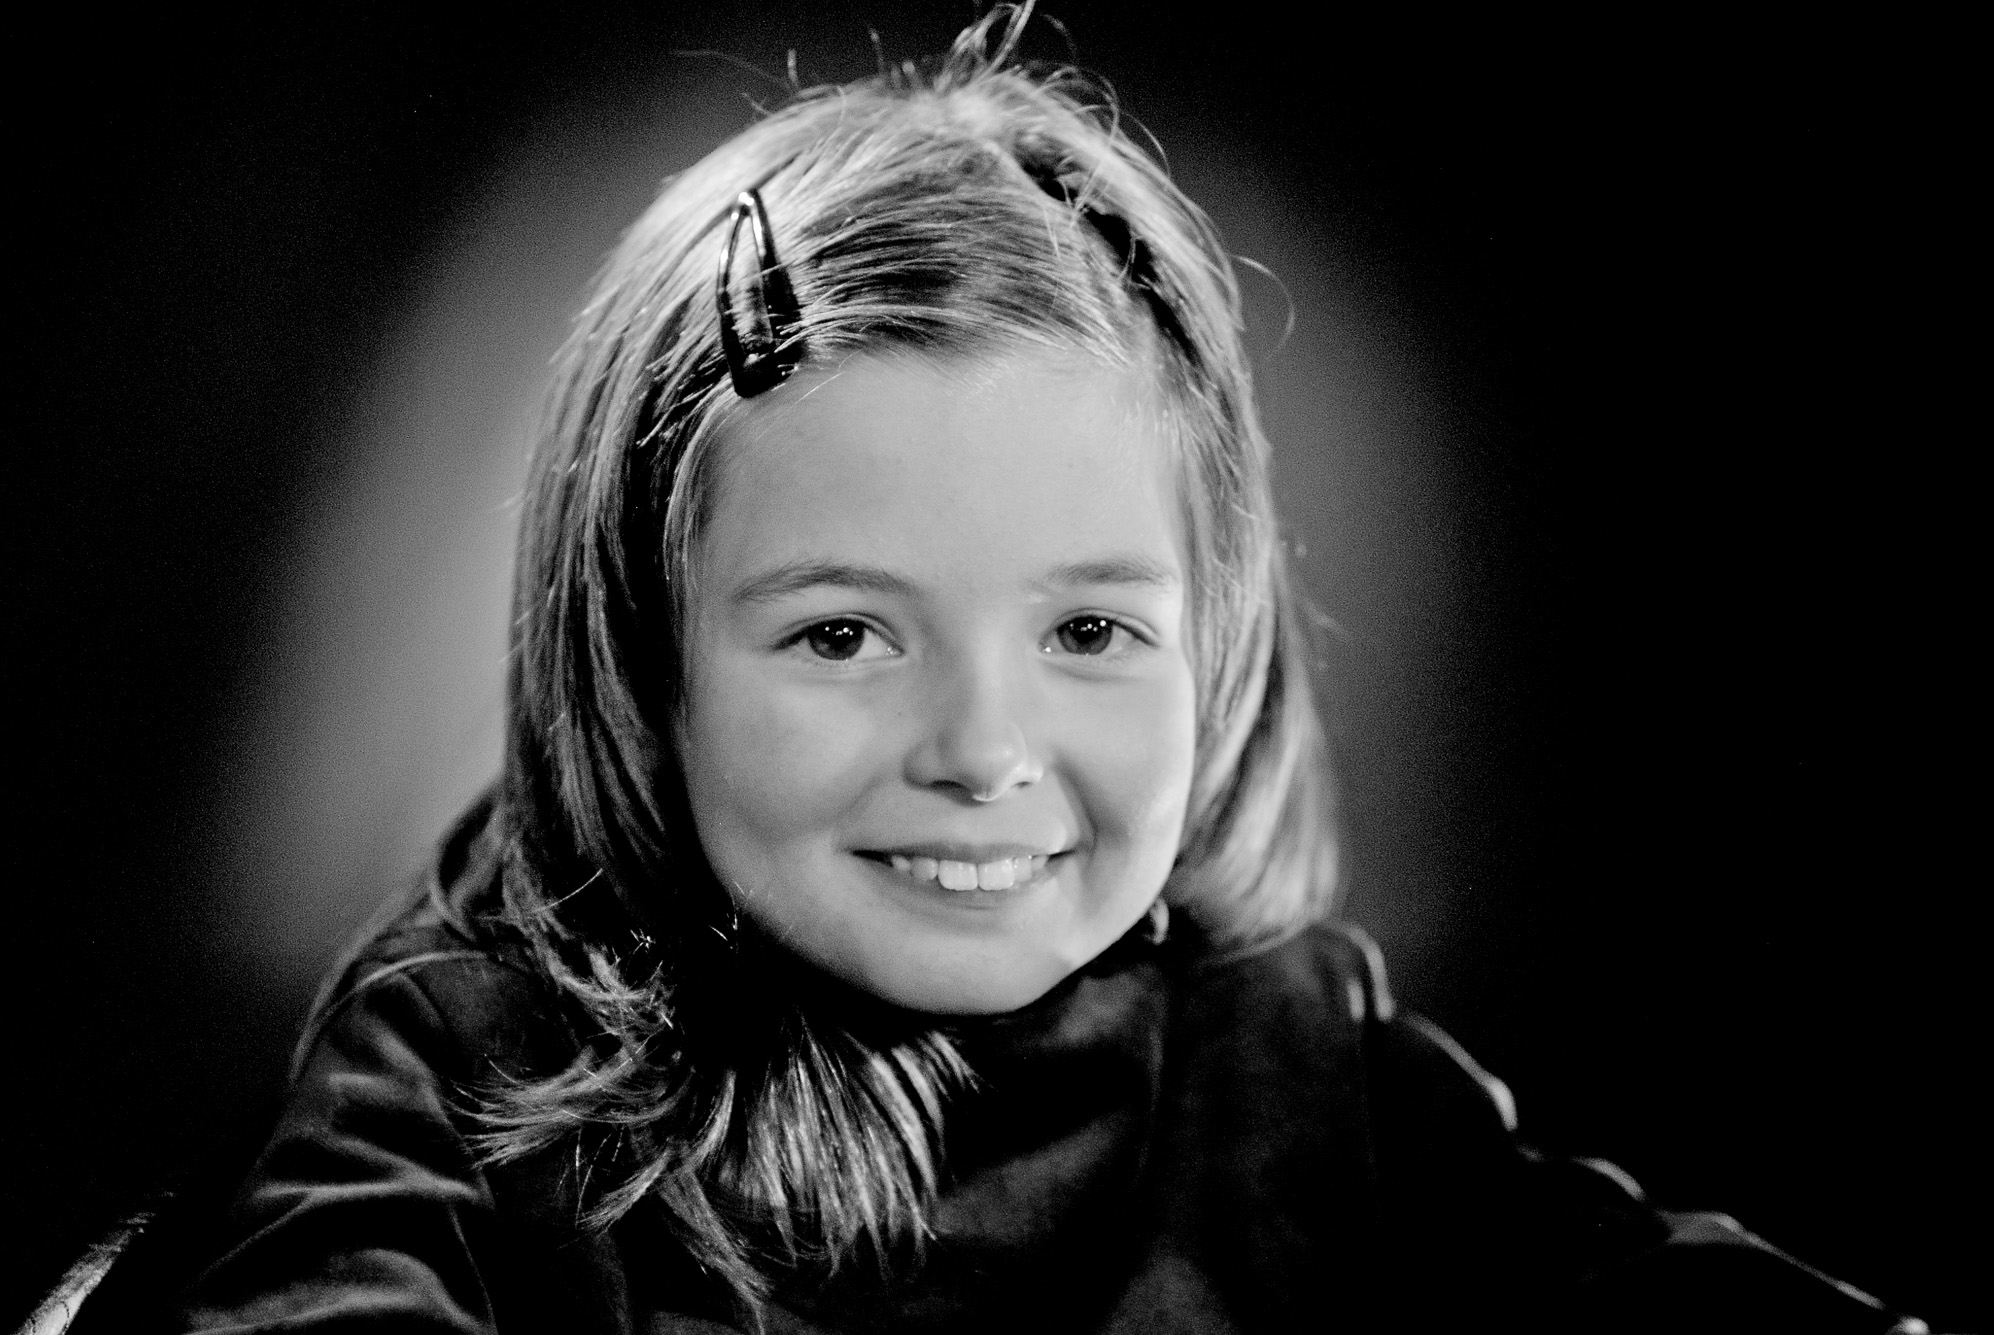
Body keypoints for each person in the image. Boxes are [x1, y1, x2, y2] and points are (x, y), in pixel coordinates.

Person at [67, 8, 1918, 1333]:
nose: (982, 747)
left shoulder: (1290, 1066)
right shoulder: (471, 1044)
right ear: (641, 656)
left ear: (1225, 643)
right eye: (844, 634)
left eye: (1091, 633)